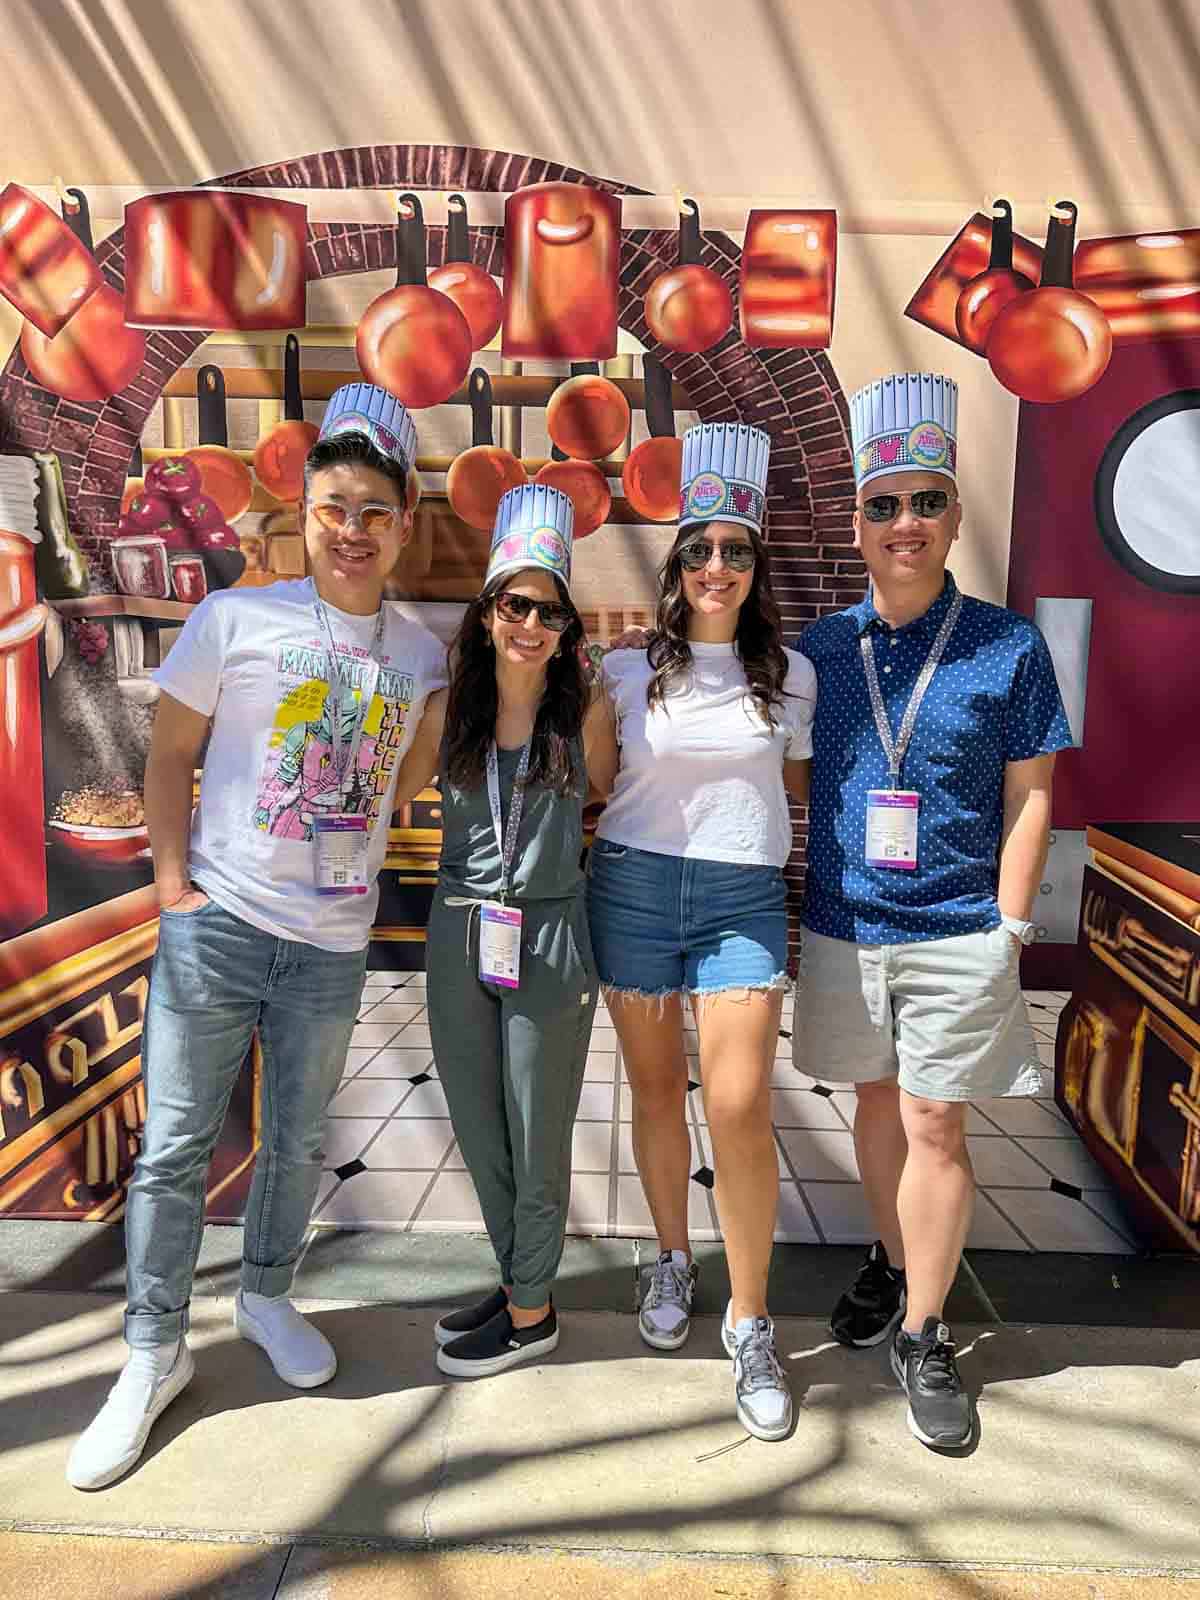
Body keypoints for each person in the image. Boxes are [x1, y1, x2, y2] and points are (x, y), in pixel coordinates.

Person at [67, 384, 448, 1489]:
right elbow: (168, 757)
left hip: (331, 944)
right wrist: (176, 889)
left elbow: (407, 788)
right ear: (305, 508)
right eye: (335, 505)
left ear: (403, 523)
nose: (352, 528)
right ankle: (150, 1352)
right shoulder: (236, 618)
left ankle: (269, 1295)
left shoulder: (420, 654)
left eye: (375, 511)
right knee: (178, 1147)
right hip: (221, 924)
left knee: (292, 1139)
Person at [793, 372, 1072, 1449]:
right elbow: (792, 774)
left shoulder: (1008, 646)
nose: (903, 524)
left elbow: (1034, 793)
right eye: (882, 504)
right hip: (843, 924)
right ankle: (897, 1255)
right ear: (856, 523)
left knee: (933, 1121)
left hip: (959, 926)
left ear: (955, 514)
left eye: (924, 502)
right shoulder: (820, 651)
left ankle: (923, 1330)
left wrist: (1008, 927)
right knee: (873, 1107)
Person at [587, 423, 816, 1441]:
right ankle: (672, 1257)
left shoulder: (794, 678)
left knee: (737, 1104)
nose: (716, 566)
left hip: (742, 903)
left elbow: (805, 788)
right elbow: (599, 784)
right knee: (651, 1092)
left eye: (735, 549)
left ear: (755, 564)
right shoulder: (624, 673)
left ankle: (753, 1318)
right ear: (675, 565)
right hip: (631, 888)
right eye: (698, 548)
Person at [390, 483, 616, 1378]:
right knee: (480, 1125)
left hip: (551, 936)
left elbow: (615, 794)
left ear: (567, 628)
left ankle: (532, 1312)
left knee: (538, 1125)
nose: (531, 623)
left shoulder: (583, 714)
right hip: (459, 931)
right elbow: (385, 791)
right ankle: (523, 1278)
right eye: (516, 605)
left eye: (549, 611)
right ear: (488, 615)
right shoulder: (450, 714)